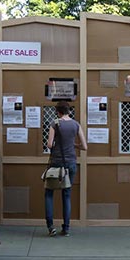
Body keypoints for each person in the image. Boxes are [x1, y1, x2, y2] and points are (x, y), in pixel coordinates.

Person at [45, 101, 87, 237]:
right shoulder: (76, 124)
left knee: (49, 193)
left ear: (58, 111)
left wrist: (55, 142)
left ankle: (51, 227)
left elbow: (50, 145)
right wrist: (73, 145)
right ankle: (66, 228)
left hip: (56, 163)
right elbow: (84, 146)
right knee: (66, 194)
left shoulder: (55, 123)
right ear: (69, 111)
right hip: (71, 163)